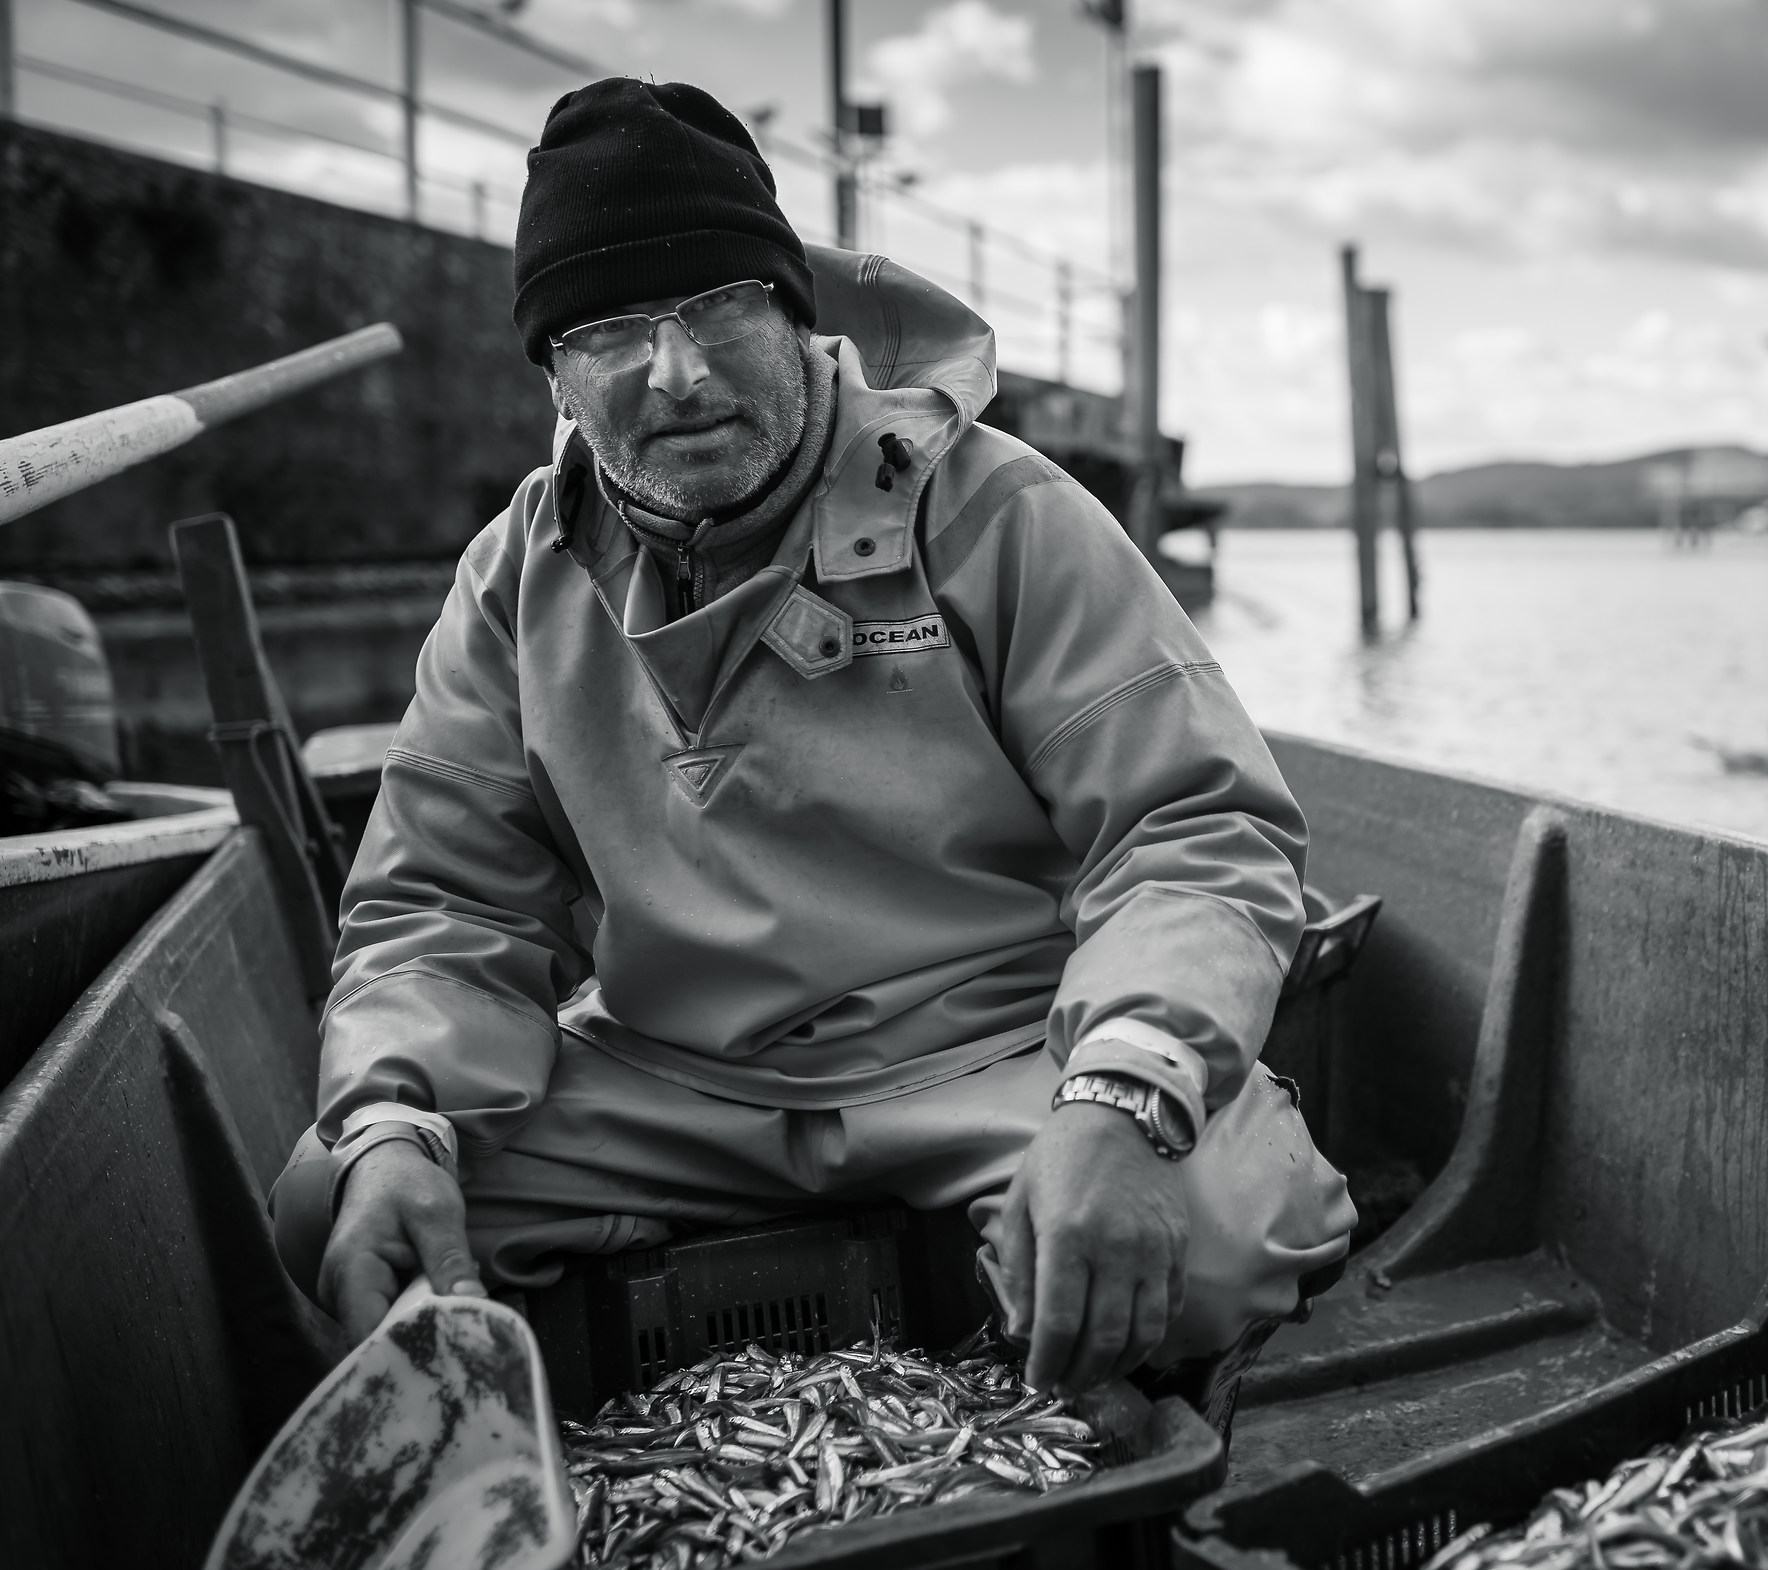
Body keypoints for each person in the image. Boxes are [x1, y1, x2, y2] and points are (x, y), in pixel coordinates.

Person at [269, 78, 1354, 1424]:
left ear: (795, 310)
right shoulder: (510, 582)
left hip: (998, 1053)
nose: (678, 372)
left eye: (718, 305)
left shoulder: (1005, 512)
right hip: (674, 1080)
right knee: (338, 1197)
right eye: (610, 331)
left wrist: (1119, 1097)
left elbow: (1195, 829)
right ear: (551, 372)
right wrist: (397, 1120)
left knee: (1222, 1234)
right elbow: (441, 908)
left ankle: (1042, 1248)